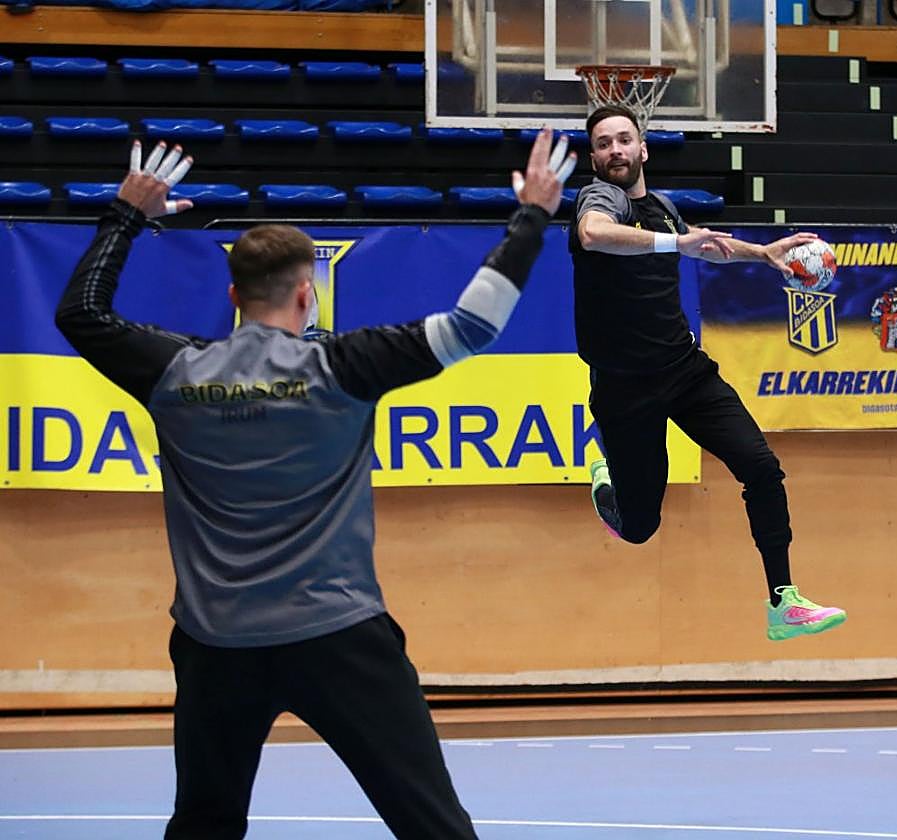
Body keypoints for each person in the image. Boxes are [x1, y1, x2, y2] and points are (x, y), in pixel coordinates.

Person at [55, 130, 574, 838]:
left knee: (205, 825)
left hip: (216, 644)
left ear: (234, 295)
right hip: (338, 636)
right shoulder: (342, 366)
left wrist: (125, 214)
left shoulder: (173, 370)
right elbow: (473, 325)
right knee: (432, 825)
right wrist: (533, 214)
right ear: (308, 294)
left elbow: (81, 313)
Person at [569, 104, 846, 641]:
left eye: (624, 139)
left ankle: (783, 602)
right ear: (594, 157)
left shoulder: (662, 208)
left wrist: (762, 253)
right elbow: (594, 234)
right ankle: (607, 487)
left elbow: (705, 244)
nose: (615, 150)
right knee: (640, 528)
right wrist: (677, 243)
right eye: (603, 144)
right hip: (626, 389)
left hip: (685, 371)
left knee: (761, 468)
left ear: (643, 148)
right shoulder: (600, 199)